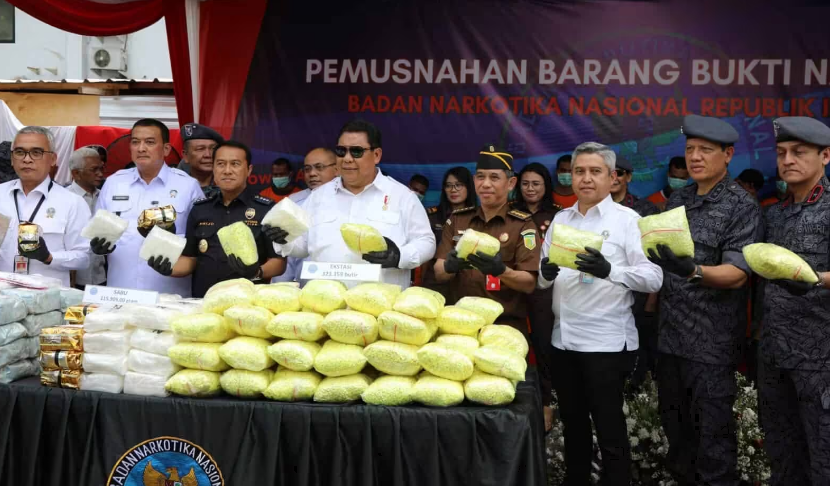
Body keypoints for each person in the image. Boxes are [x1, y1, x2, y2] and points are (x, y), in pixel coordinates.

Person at [537, 142, 663, 486]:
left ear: (613, 178)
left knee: (610, 430)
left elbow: (654, 276)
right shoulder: (561, 219)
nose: (586, 179)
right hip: (564, 341)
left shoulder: (628, 221)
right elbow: (542, 280)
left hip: (606, 344)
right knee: (574, 426)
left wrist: (610, 270)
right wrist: (546, 272)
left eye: (595, 172)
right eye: (579, 171)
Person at [648, 114, 762, 486]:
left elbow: (738, 273)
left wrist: (693, 271)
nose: (695, 157)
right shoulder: (676, 201)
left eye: (706, 150)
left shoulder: (741, 207)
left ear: (728, 155)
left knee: (713, 441)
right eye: (690, 149)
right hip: (670, 339)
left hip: (710, 345)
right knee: (677, 436)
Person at [275, 119, 435, 289]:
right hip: (324, 304)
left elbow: (426, 241)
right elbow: (303, 245)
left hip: (379, 306)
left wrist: (399, 256)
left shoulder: (401, 196)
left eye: (357, 152)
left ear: (376, 155)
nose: (347, 159)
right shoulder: (319, 196)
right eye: (341, 151)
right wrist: (283, 238)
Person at [757, 116, 830, 486]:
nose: (787, 160)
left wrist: (817, 280)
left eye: (799, 152)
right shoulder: (776, 214)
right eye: (782, 152)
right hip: (775, 356)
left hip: (820, 361)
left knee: (824, 461)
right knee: (783, 459)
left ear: (826, 156)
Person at [146, 141, 287, 297]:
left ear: (249, 170)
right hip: (204, 300)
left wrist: (257, 272)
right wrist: (169, 267)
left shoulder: (266, 209)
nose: (227, 171)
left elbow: (279, 263)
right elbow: (190, 259)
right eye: (220, 164)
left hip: (248, 303)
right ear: (213, 168)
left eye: (235, 164)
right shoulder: (200, 209)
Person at [434, 145, 540, 333]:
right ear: (474, 181)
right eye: (480, 177)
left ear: (511, 183)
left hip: (503, 326)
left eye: (494, 177)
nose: (486, 184)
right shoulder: (458, 219)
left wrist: (501, 271)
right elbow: (439, 272)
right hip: (458, 324)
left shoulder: (523, 226)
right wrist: (450, 266)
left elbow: (529, 283)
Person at [91, 119, 203, 296]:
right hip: (121, 291)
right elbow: (96, 231)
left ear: (166, 149)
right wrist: (97, 246)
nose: (141, 148)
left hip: (169, 294)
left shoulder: (188, 186)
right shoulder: (114, 183)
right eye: (135, 142)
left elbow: (200, 240)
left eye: (149, 142)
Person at [0, 126, 90, 287]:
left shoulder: (72, 203)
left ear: (53, 159)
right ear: (12, 159)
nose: (27, 159)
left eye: (36, 152)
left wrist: (48, 257)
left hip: (47, 302)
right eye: (20, 152)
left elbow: (83, 258)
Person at [512, 162, 560, 432]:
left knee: (543, 345)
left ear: (546, 187)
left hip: (543, 289)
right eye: (526, 183)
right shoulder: (510, 213)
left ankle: (545, 403)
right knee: (512, 340)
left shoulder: (557, 216)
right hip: (514, 286)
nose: (530, 189)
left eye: (536, 184)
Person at [610, 156, 661, 390]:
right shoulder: (592, 210)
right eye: (608, 172)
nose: (613, 178)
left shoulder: (645, 209)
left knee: (638, 356)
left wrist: (651, 301)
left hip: (639, 297)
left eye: (619, 173)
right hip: (605, 296)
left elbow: (655, 259)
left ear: (628, 177)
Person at [272, 147, 340, 284]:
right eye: (307, 169)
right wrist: (280, 287)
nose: (312, 174)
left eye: (319, 167)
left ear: (337, 169)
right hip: (305, 291)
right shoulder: (293, 203)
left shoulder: (354, 199)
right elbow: (288, 257)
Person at [418, 167, 476, 296]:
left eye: (458, 185)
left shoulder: (478, 217)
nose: (453, 190)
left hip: (466, 284)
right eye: (448, 186)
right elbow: (425, 257)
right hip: (435, 282)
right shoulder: (432, 216)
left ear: (469, 187)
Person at [67, 146, 106, 288]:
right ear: (76, 174)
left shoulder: (105, 196)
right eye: (94, 170)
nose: (100, 174)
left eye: (101, 168)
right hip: (73, 279)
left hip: (101, 276)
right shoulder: (64, 199)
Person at [178, 123, 224, 198]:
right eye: (200, 149)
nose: (208, 155)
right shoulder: (173, 186)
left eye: (213, 149)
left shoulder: (230, 185)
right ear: (186, 155)